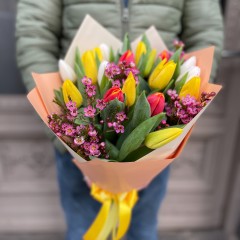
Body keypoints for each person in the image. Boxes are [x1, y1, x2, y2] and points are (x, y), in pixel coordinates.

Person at [15, 1, 223, 239]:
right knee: (83, 231)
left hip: (156, 138)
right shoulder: (73, 134)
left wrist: (182, 114)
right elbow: (35, 34)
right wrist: (66, 135)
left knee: (142, 231)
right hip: (77, 133)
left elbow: (206, 33)